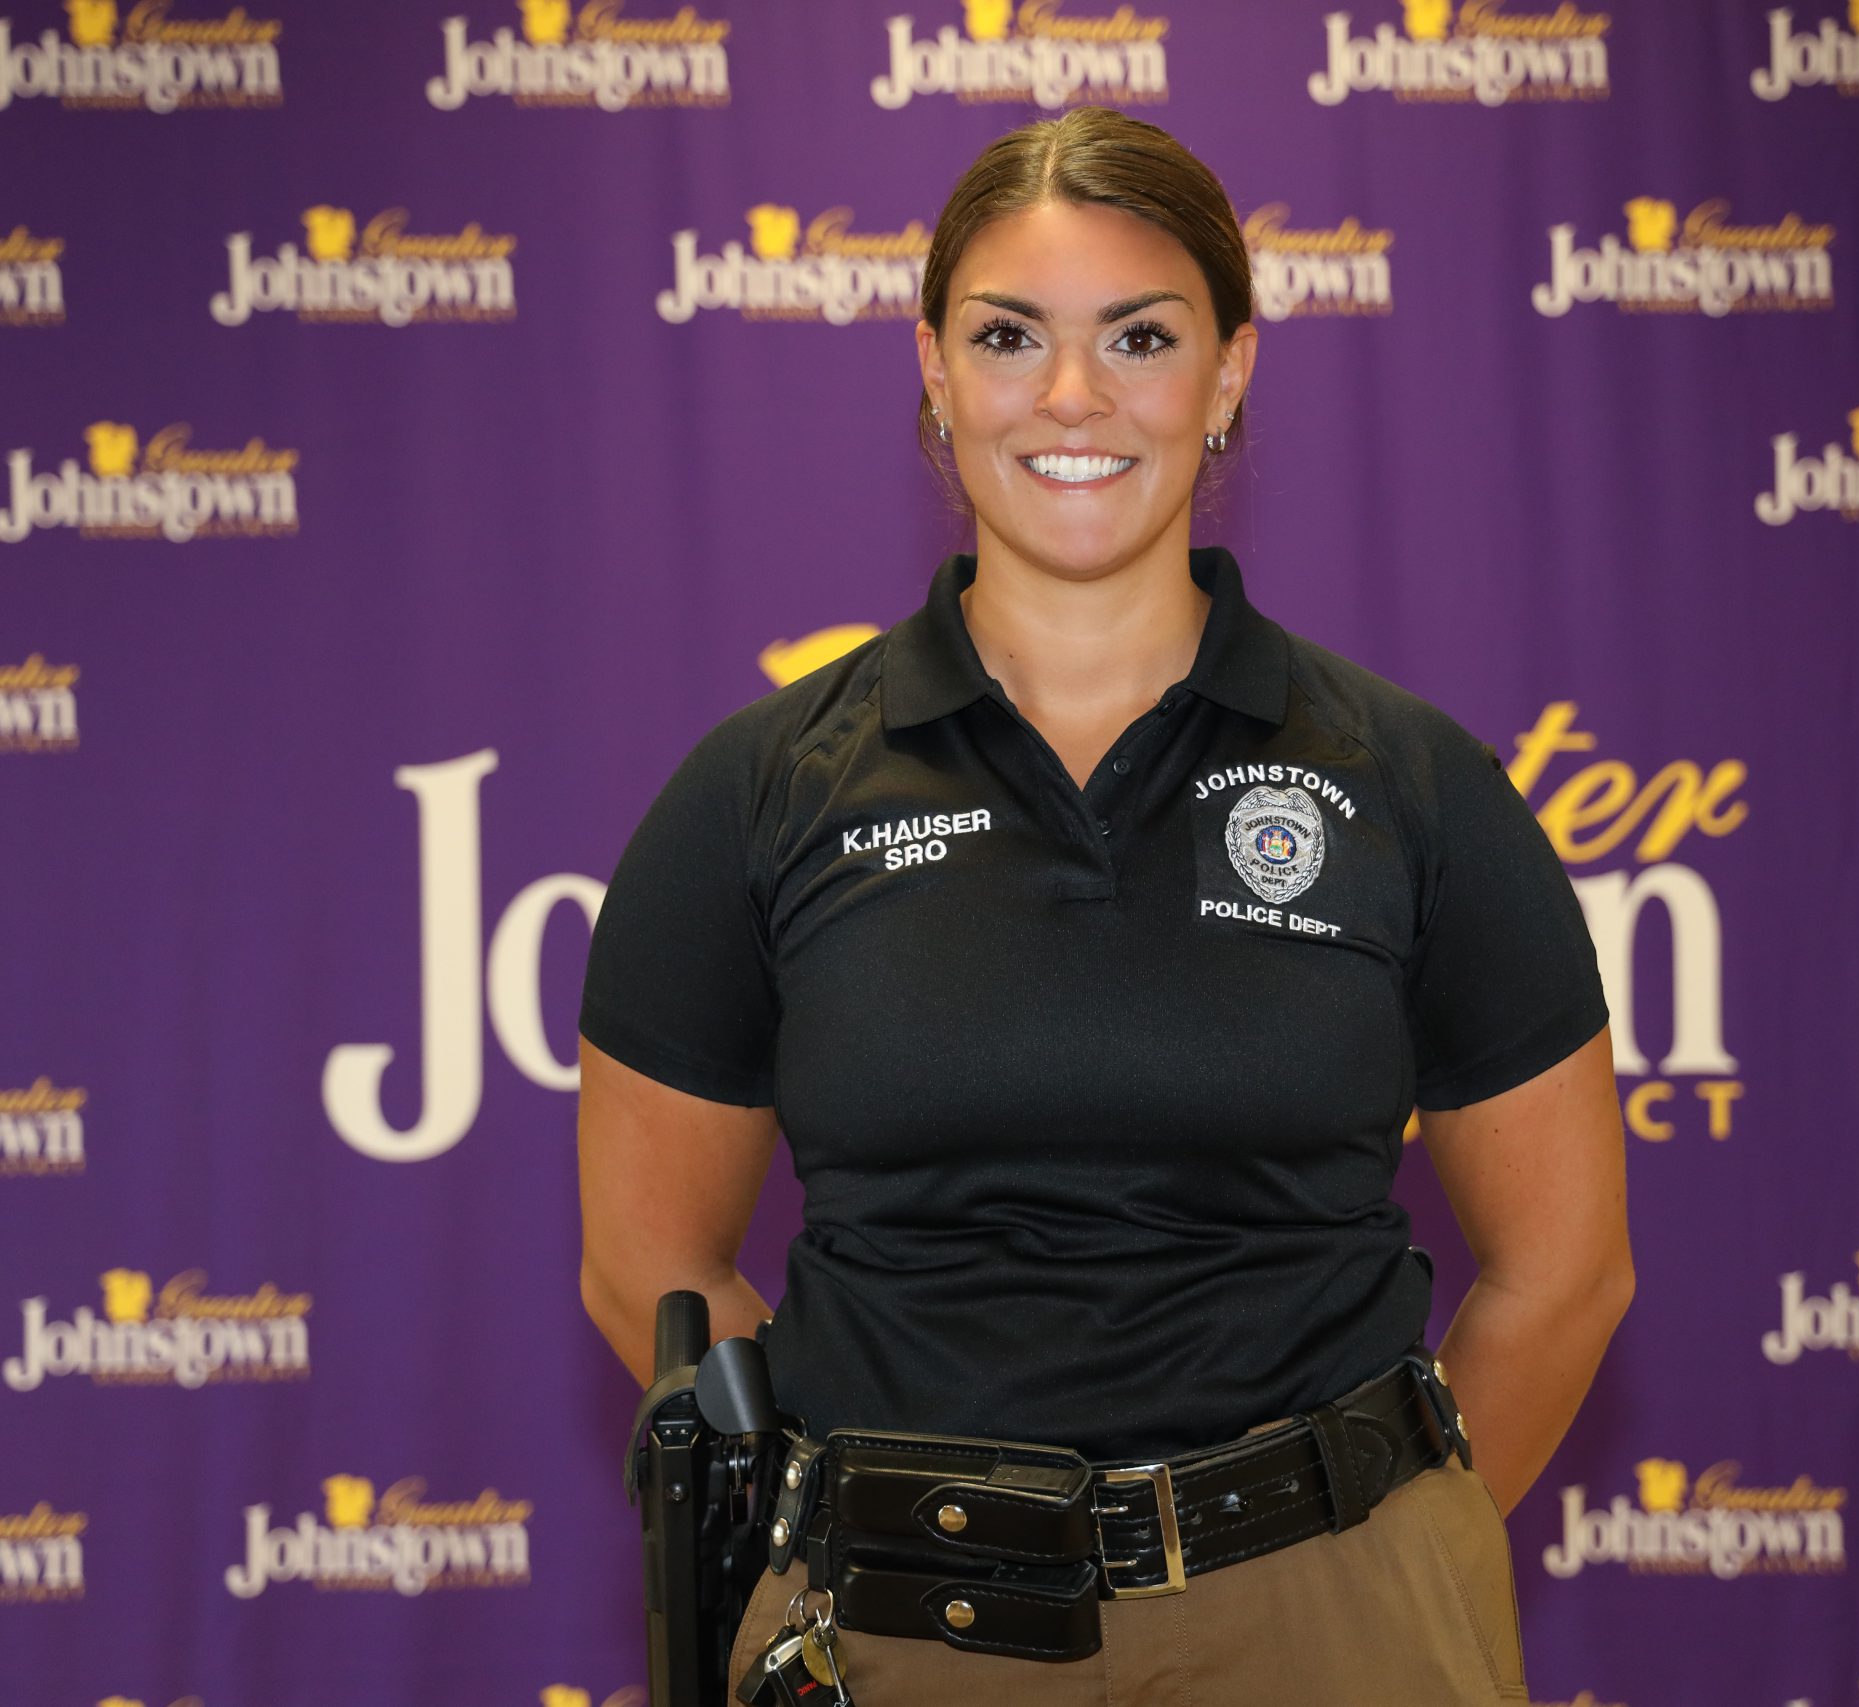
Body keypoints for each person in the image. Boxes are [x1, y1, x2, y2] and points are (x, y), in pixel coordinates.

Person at [578, 105, 1633, 1707]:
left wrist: (1374, 1549)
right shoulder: (763, 787)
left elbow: (1567, 1272)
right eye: (1011, 336)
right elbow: (649, 1273)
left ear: (1229, 372)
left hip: (1336, 1630)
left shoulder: (1408, 781)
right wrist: (869, 1524)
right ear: (932, 366)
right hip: (900, 1632)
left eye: (1141, 337)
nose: (1074, 399)